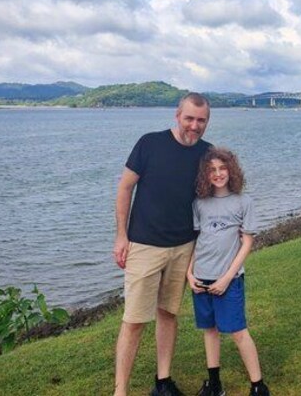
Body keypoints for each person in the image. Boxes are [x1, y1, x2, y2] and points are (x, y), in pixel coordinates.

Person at [113, 93, 212, 396]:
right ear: (177, 115)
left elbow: (214, 200)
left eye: (201, 120)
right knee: (134, 320)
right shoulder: (149, 144)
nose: (194, 126)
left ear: (207, 121)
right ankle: (120, 390)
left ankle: (163, 382)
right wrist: (121, 236)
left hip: (184, 246)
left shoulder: (207, 154)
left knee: (168, 314)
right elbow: (125, 188)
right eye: (189, 118)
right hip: (144, 244)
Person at [187, 148, 270, 396]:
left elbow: (247, 243)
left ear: (231, 170)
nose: (218, 173)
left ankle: (258, 386)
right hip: (201, 278)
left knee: (238, 331)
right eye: (212, 170)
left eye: (222, 168)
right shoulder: (199, 203)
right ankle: (214, 384)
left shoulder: (243, 202)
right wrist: (189, 274)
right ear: (205, 174)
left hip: (229, 280)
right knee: (209, 330)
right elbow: (197, 241)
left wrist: (226, 278)